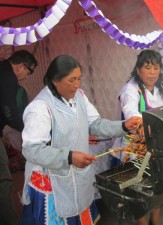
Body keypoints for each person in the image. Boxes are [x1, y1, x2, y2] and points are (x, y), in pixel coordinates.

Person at [20, 55, 141, 225]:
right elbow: (31, 150)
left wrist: (124, 126)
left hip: (77, 178)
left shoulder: (79, 97)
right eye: (71, 80)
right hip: (52, 183)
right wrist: (69, 157)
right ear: (55, 80)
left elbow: (96, 124)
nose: (77, 85)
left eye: (79, 79)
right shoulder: (40, 108)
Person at [113, 49, 163, 225]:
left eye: (156, 68)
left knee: (157, 183)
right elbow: (132, 115)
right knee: (136, 186)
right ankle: (142, 221)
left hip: (156, 143)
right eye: (147, 68)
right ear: (138, 70)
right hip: (134, 145)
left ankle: (155, 217)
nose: (153, 72)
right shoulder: (130, 90)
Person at [0, 49, 37, 225]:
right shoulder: (7, 77)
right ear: (20, 67)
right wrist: (28, 129)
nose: (26, 77)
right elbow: (9, 112)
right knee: (4, 180)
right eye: (29, 72)